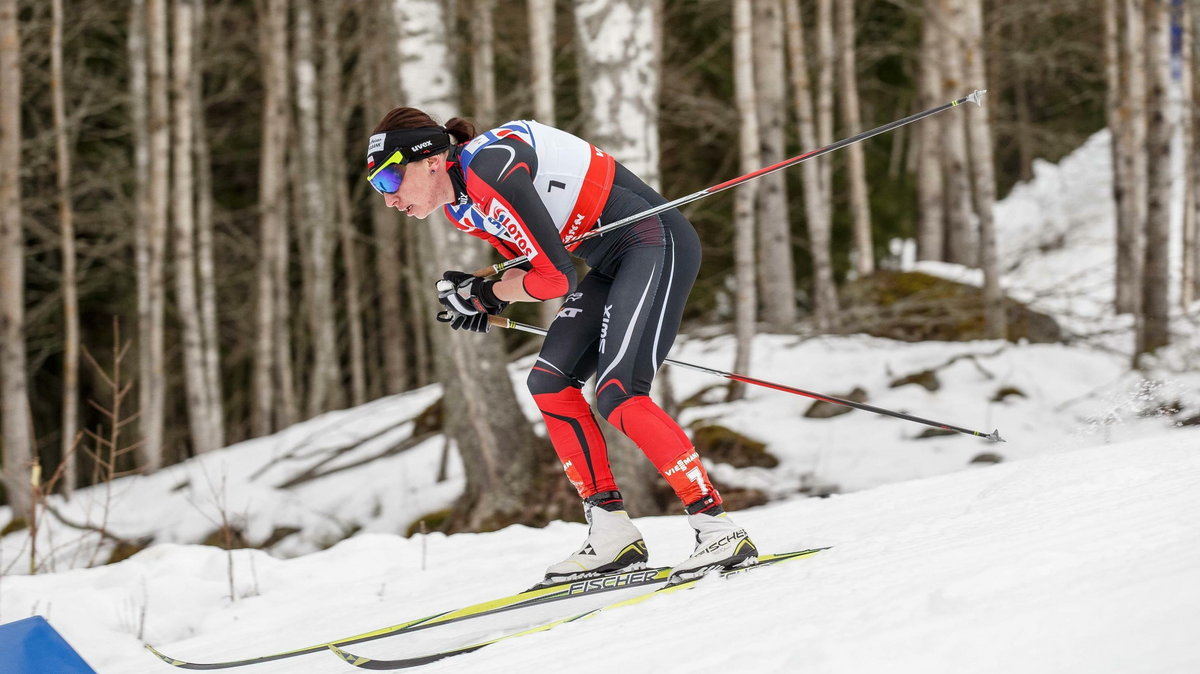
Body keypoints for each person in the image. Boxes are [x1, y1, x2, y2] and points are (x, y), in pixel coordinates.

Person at [365, 107, 757, 585]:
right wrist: (475, 294)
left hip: (654, 241)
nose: (389, 200)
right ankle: (612, 531)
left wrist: (487, 296)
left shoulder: (490, 167)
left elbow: (553, 280)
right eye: (377, 188)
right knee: (549, 382)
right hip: (612, 261)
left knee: (618, 393)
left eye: (389, 181)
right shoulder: (462, 208)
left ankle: (717, 527)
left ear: (429, 160)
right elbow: (533, 264)